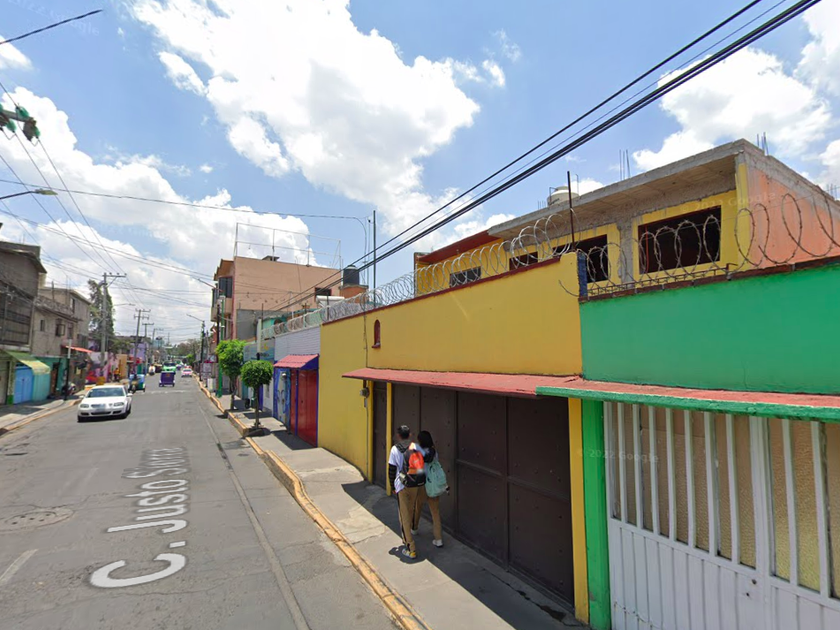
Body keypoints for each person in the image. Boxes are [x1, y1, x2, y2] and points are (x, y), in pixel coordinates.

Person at [388, 425, 424, 559]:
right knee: (410, 510)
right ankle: (410, 532)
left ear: (398, 436)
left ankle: (411, 548)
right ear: (409, 435)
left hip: (402, 484)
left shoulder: (394, 449)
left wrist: (392, 485)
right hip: (415, 483)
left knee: (403, 516)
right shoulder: (415, 447)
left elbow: (392, 469)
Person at [413, 430, 446, 548]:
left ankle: (414, 528)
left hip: (422, 485)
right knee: (435, 513)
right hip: (433, 485)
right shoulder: (434, 452)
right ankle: (438, 539)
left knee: (418, 507)